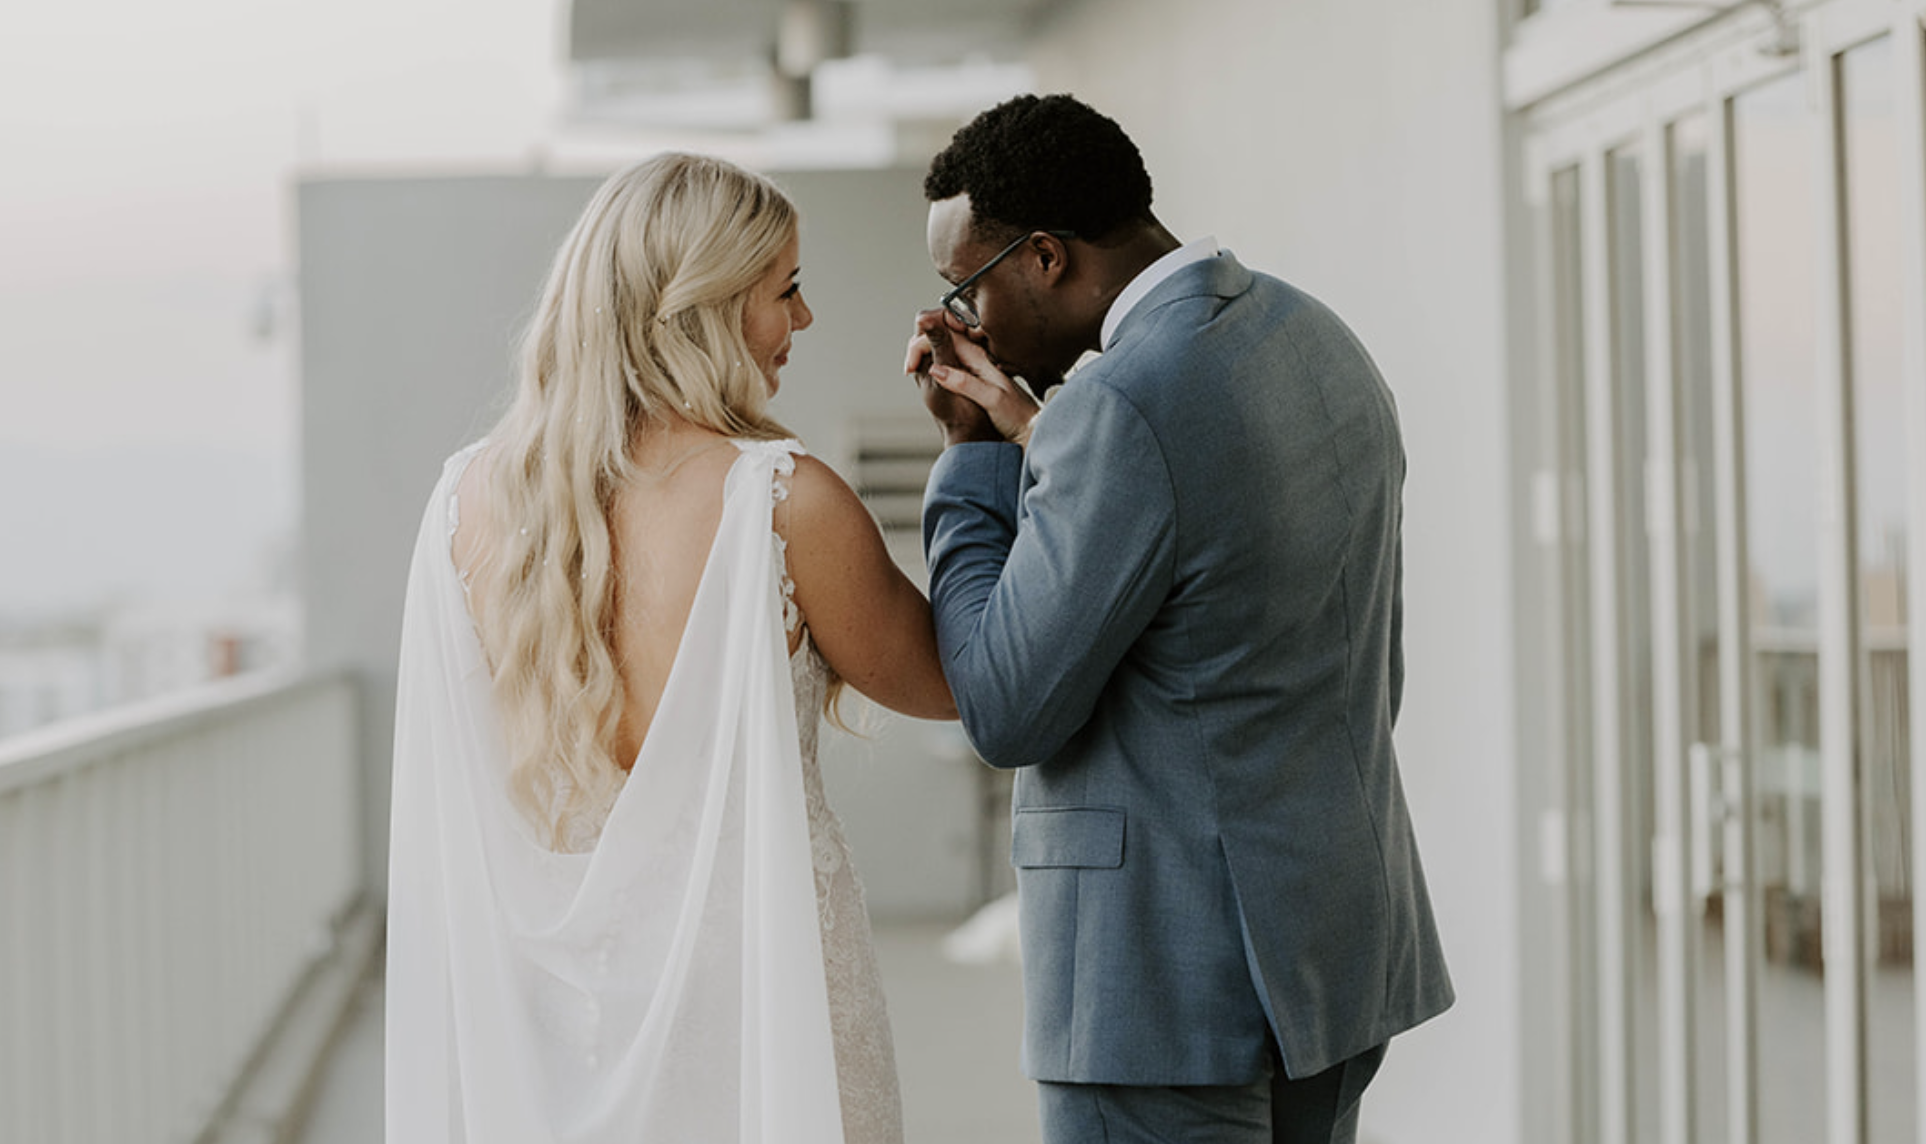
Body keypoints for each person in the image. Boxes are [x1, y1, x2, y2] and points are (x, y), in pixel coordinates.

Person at [905, 94, 1454, 1144]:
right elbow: (1202, 540)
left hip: (1163, 987)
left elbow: (1007, 703)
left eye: (963, 287)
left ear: (1047, 258)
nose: (963, 323)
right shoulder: (1311, 333)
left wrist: (970, 457)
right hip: (1332, 950)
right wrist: (1042, 427)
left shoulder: (1121, 407)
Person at [386, 152, 954, 1144]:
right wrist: (979, 454)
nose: (805, 321)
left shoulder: (458, 508)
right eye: (786, 290)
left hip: (556, 1036)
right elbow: (961, 684)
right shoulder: (782, 501)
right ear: (707, 306)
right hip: (765, 1015)